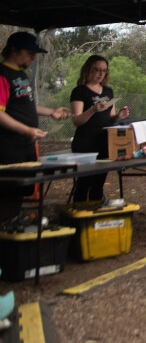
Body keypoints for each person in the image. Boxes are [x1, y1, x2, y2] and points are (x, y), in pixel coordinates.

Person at [0, 32, 69, 221]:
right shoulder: (2, 74)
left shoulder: (21, 75)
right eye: (29, 52)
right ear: (14, 51)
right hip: (8, 148)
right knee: (7, 194)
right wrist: (26, 130)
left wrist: (51, 112)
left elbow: (26, 106)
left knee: (21, 193)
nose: (33, 57)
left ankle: (13, 230)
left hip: (25, 146)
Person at [69, 55, 130, 203]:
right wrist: (92, 110)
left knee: (98, 184)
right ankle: (80, 219)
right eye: (97, 70)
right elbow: (77, 120)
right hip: (85, 143)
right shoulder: (80, 91)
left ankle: (96, 218)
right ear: (88, 70)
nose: (101, 74)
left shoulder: (108, 91)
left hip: (104, 142)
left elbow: (111, 117)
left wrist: (119, 117)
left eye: (104, 71)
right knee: (83, 184)